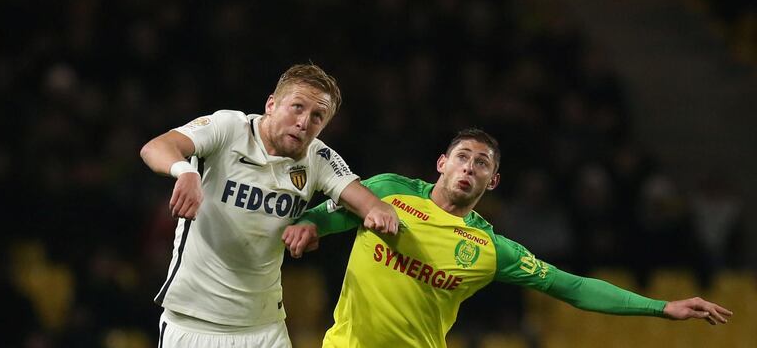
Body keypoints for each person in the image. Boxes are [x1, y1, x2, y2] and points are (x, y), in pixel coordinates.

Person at [282, 128, 733, 348]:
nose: (469, 168)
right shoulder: (385, 192)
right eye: (462, 157)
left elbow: (571, 286)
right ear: (442, 163)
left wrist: (661, 307)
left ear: (492, 181)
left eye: (481, 164)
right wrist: (310, 226)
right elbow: (329, 216)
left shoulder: (490, 250)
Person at [140, 63, 399, 348]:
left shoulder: (318, 157)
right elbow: (155, 147)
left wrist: (324, 221)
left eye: (317, 116)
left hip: (264, 328)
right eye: (297, 107)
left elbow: (368, 204)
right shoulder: (229, 128)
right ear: (271, 104)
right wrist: (185, 171)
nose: (304, 122)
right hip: (193, 321)